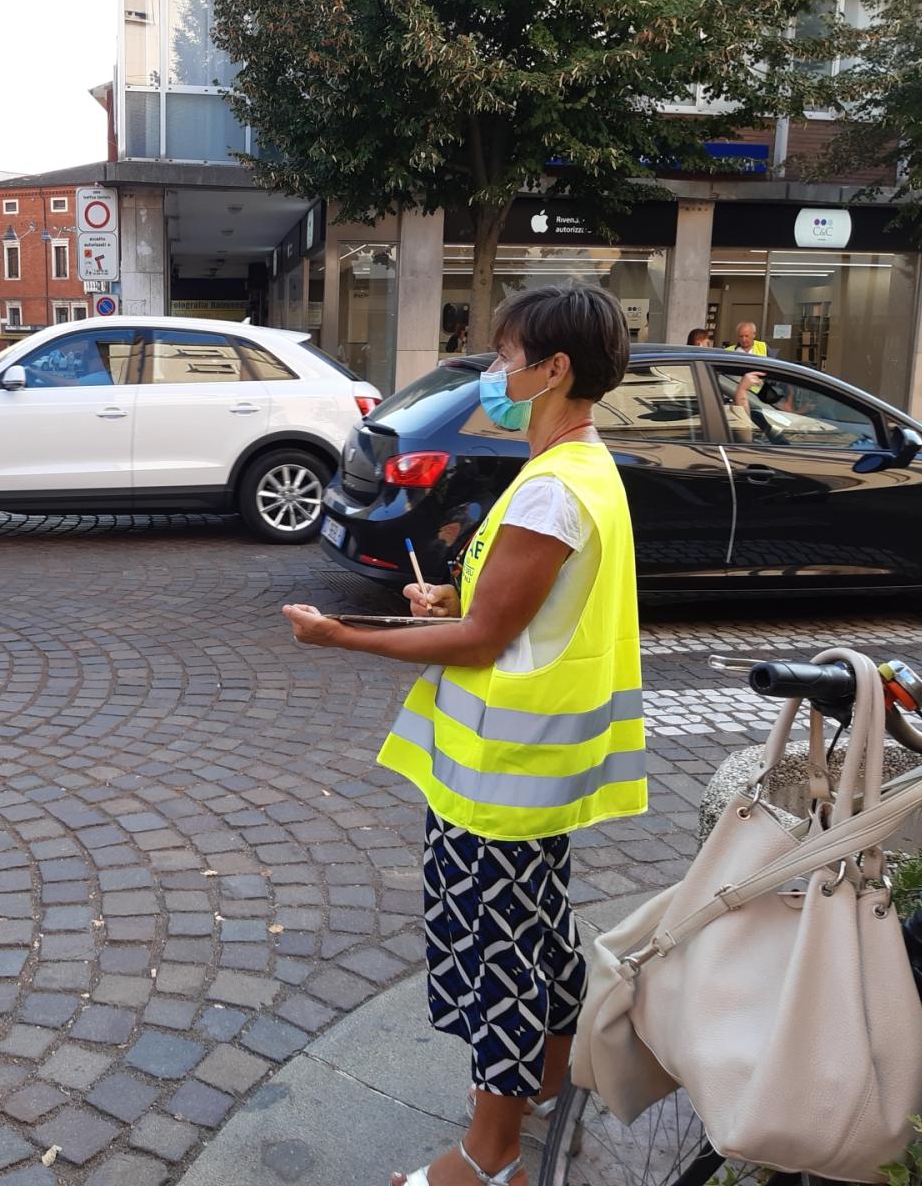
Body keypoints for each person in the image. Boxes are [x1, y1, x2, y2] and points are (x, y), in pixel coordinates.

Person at [282, 284, 647, 1186]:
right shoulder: (580, 468)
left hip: (501, 777)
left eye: (505, 356)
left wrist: (343, 636)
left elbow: (484, 642)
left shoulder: (553, 488)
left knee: (500, 958)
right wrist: (454, 599)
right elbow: (521, 616)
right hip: (529, 770)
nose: (493, 372)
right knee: (539, 933)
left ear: (554, 370)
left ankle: (491, 1157)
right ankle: (549, 1085)